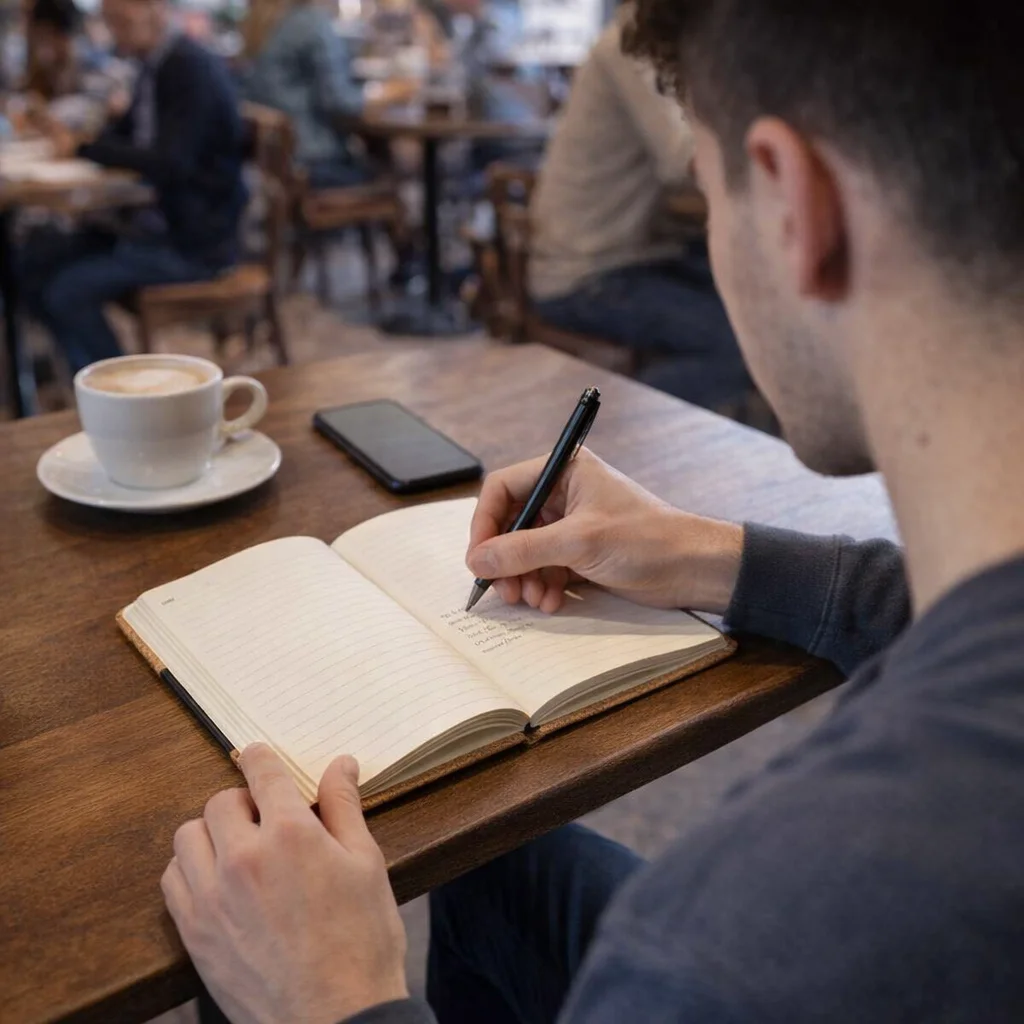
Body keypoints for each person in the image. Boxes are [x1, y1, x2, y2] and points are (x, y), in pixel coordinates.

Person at [165, 0, 1024, 1022]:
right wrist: (709, 554)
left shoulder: (718, 956)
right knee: (495, 862)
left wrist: (335, 1002)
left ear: (800, 208)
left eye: (710, 197)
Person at [528, 5, 749, 411]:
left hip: (637, 256)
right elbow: (684, 157)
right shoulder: (632, 45)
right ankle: (613, 433)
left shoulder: (667, 42)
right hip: (585, 273)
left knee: (753, 305)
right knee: (738, 342)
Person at [20, 0, 247, 374]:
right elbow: (125, 136)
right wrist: (85, 140)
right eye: (110, 21)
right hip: (151, 222)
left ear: (155, 9)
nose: (114, 31)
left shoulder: (189, 67)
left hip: (194, 241)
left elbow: (170, 161)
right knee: (34, 259)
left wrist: (84, 147)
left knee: (67, 291)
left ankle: (115, 383)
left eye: (121, 20)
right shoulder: (154, 65)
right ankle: (76, 373)